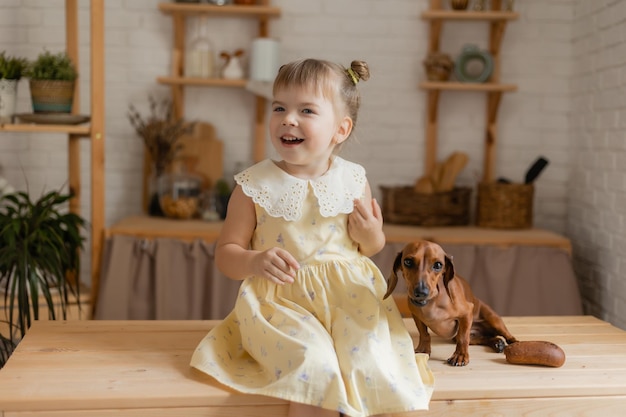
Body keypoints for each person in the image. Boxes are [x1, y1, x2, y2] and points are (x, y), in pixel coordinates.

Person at [190, 58, 434, 417]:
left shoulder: (353, 180)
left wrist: (371, 234)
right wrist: (255, 261)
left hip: (350, 302)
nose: (289, 118)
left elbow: (369, 247)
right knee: (313, 366)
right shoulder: (253, 186)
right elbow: (226, 254)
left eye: (306, 110)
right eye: (279, 107)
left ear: (341, 129)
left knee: (372, 362)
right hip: (282, 305)